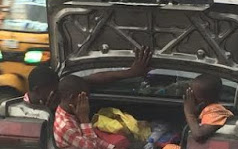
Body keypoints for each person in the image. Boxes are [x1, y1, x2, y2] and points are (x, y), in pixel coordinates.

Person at [6, 46, 152, 118]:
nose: (59, 93)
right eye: (54, 91)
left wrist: (130, 73)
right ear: (37, 90)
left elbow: (96, 78)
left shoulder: (61, 89)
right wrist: (51, 113)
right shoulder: (21, 113)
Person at [161, 74, 233, 149]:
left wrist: (189, 113)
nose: (189, 98)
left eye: (191, 95)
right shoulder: (206, 109)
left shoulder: (216, 111)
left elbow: (199, 135)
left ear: (201, 100)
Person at [54, 75, 123, 149]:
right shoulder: (66, 127)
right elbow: (91, 148)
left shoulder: (66, 112)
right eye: (84, 98)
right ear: (72, 98)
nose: (87, 102)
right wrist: (84, 119)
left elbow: (92, 138)